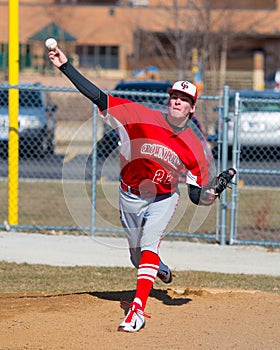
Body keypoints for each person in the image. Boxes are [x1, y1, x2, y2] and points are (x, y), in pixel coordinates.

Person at [48, 47, 236, 333]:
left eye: (185, 99)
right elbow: (98, 95)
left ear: (192, 108)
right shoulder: (139, 116)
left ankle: (137, 310)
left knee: (149, 245)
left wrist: (210, 196)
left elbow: (197, 196)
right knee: (137, 258)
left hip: (164, 198)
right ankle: (157, 267)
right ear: (168, 99)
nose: (178, 101)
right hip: (129, 195)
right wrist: (65, 67)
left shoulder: (196, 148)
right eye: (175, 96)